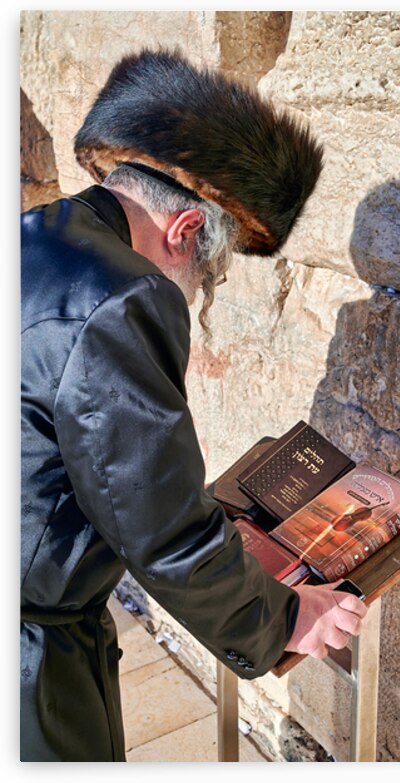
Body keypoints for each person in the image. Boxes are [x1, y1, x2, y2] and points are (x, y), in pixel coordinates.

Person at [20, 48, 367, 762]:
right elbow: (159, 522)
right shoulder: (124, 295)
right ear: (182, 233)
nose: (199, 290)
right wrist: (282, 619)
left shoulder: (36, 237)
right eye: (207, 272)